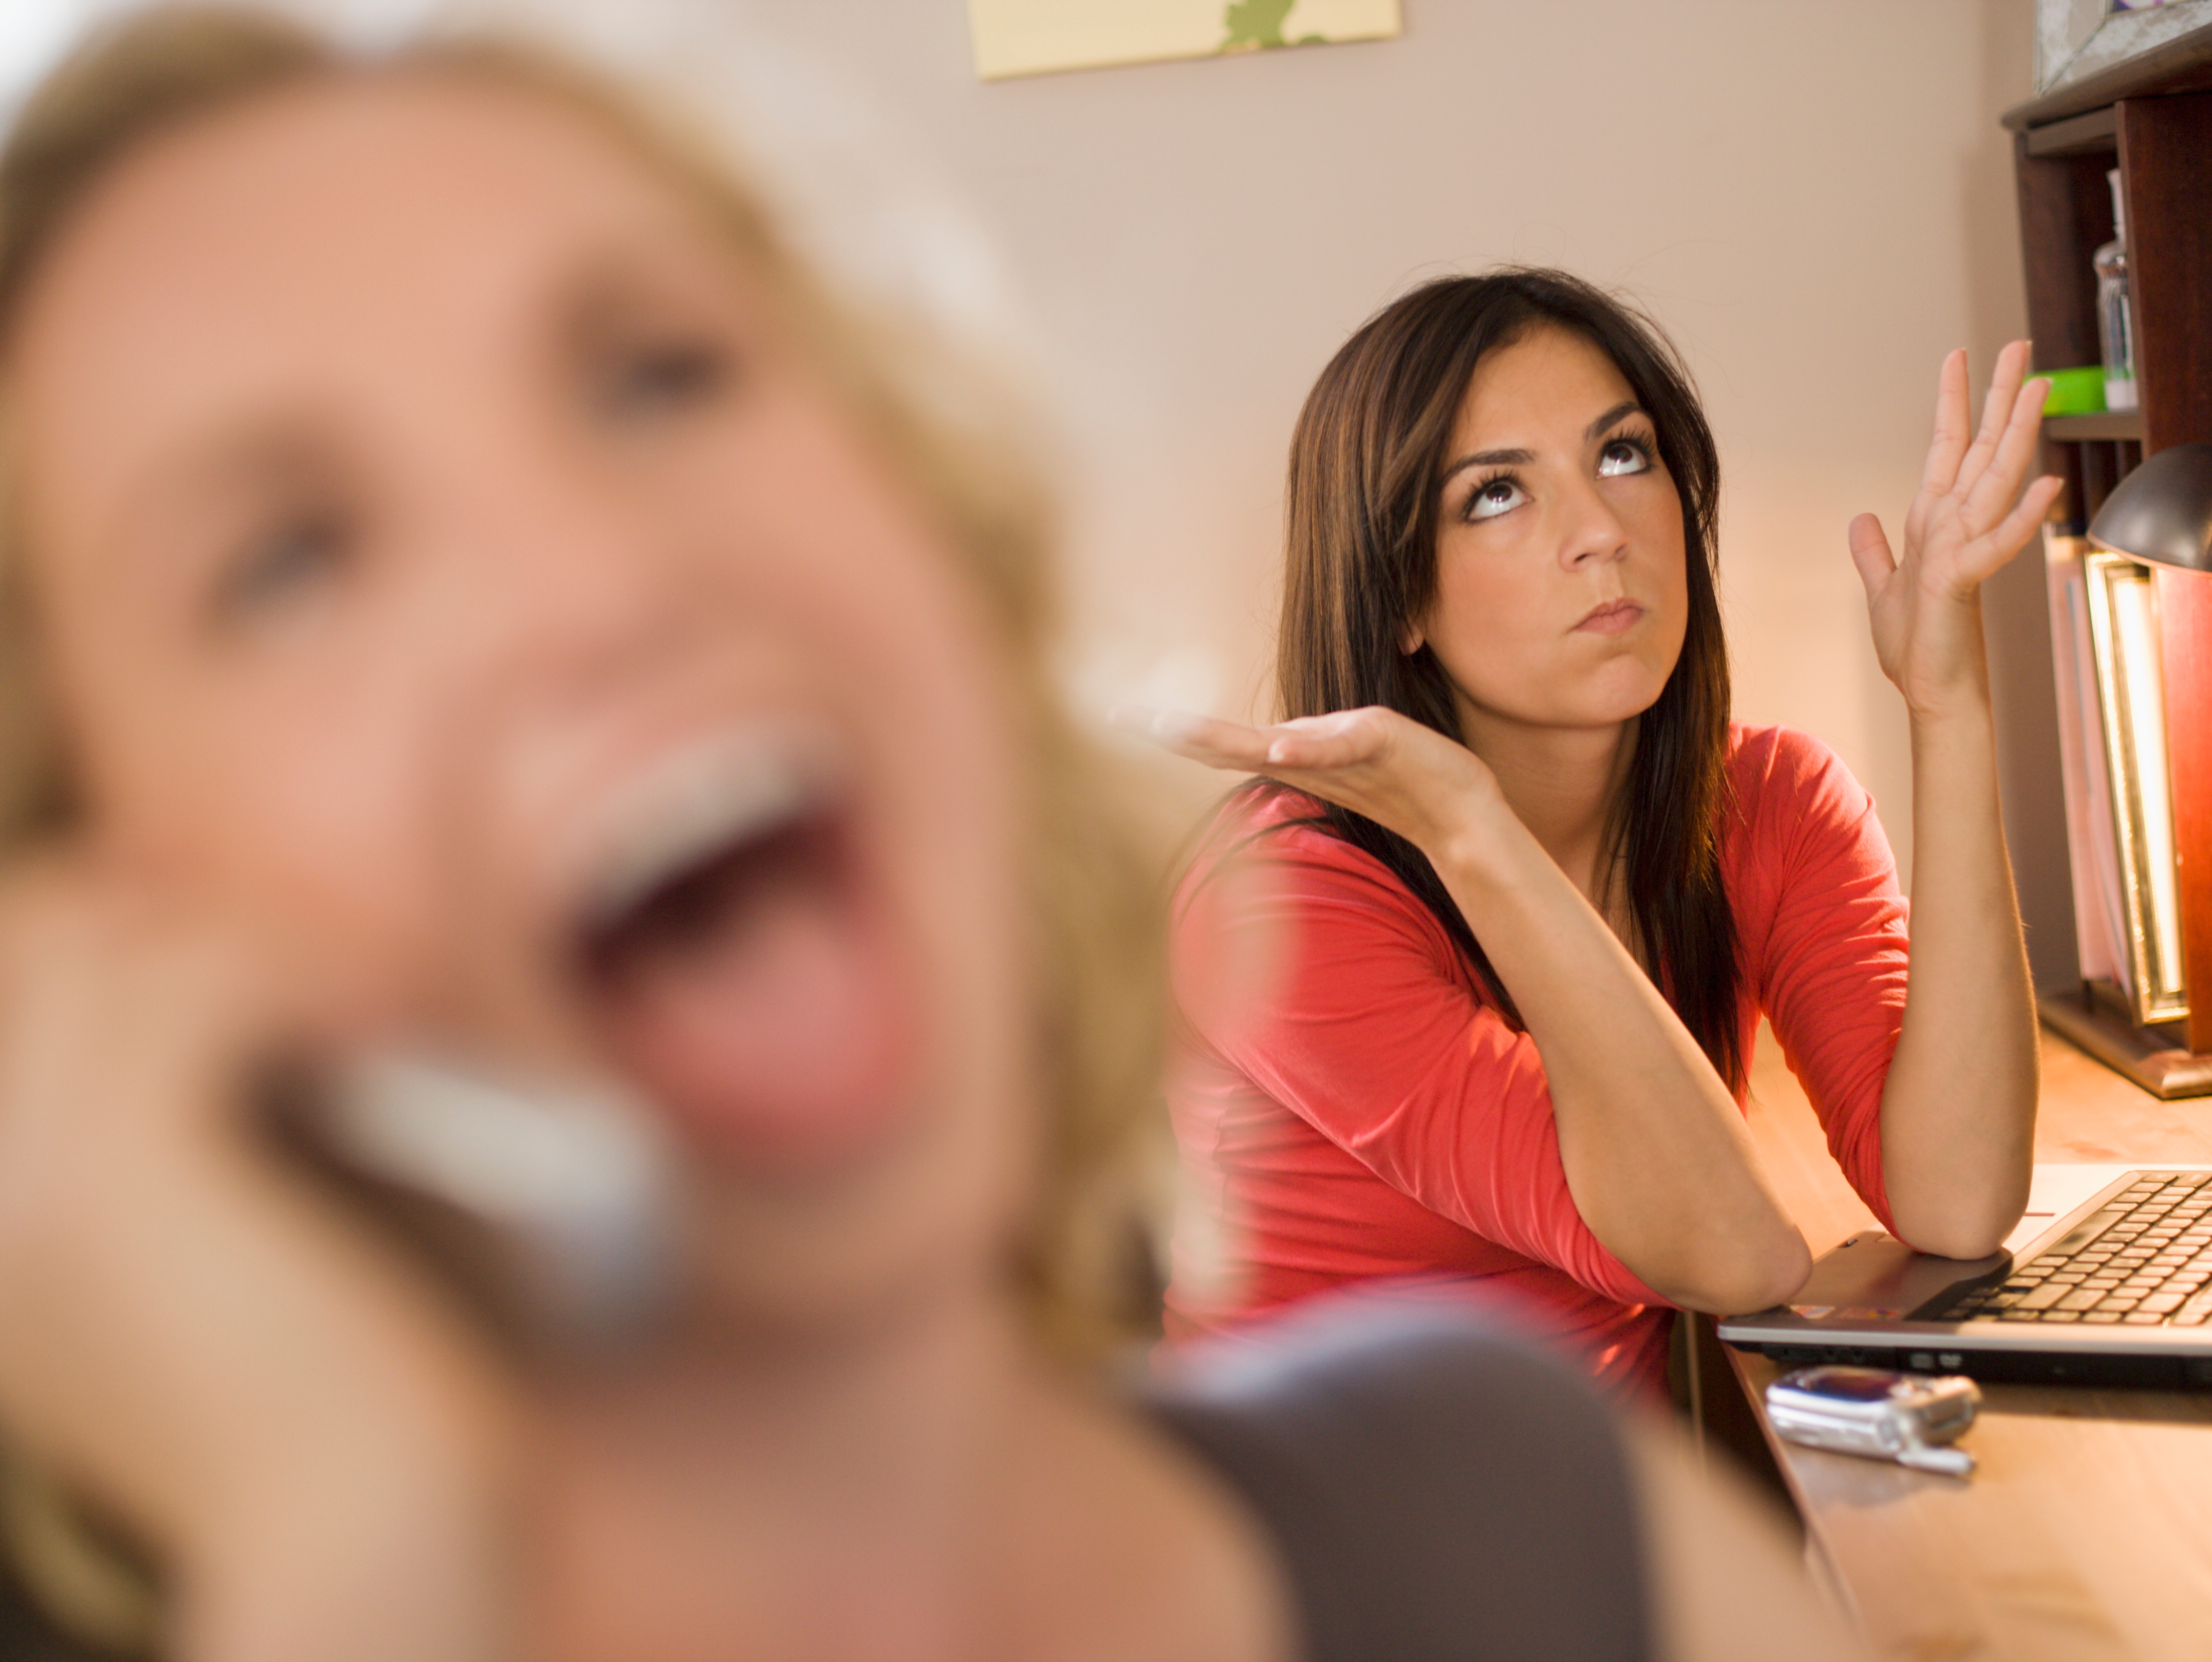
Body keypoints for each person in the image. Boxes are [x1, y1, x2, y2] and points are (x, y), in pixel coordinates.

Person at [0, 11, 1863, 1662]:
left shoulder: (1518, 1497)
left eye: (656, 377)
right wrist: (356, 1543)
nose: (593, 579)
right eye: (287, 559)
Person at [1133, 269, 2053, 1396]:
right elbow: (1733, 1253)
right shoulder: (1283, 899)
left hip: (1599, 1514)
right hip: (1316, 1537)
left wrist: (1947, 710)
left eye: (1623, 455)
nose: (1599, 532)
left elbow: (1955, 1198)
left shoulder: (1768, 801)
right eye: (1494, 496)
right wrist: (1475, 830)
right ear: (1400, 598)